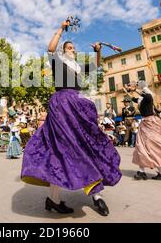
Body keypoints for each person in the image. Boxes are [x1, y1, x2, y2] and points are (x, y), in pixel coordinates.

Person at [21, 20, 121, 217]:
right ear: (63, 50)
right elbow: (50, 48)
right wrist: (61, 28)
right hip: (61, 104)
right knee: (60, 149)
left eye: (73, 47)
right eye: (68, 46)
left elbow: (96, 64)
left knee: (87, 145)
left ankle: (96, 196)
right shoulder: (57, 62)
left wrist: (98, 51)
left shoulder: (76, 66)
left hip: (77, 103)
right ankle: (55, 199)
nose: (72, 49)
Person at [124, 81, 161, 182]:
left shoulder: (148, 97)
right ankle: (149, 172)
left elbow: (146, 96)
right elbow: (134, 99)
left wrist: (134, 90)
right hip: (145, 123)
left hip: (150, 122)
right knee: (142, 146)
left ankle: (157, 172)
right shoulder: (142, 99)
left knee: (150, 146)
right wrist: (127, 91)